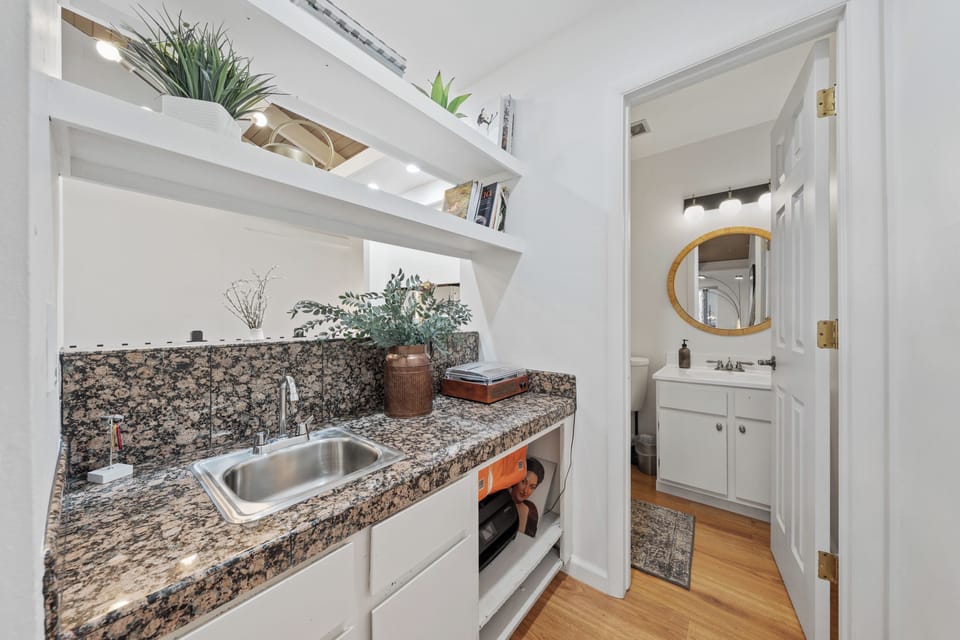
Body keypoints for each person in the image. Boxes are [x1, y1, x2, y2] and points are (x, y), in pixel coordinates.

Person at [511, 457, 544, 537]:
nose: (526, 491)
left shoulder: (531, 510)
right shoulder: (498, 499)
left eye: (532, 487)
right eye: (523, 482)